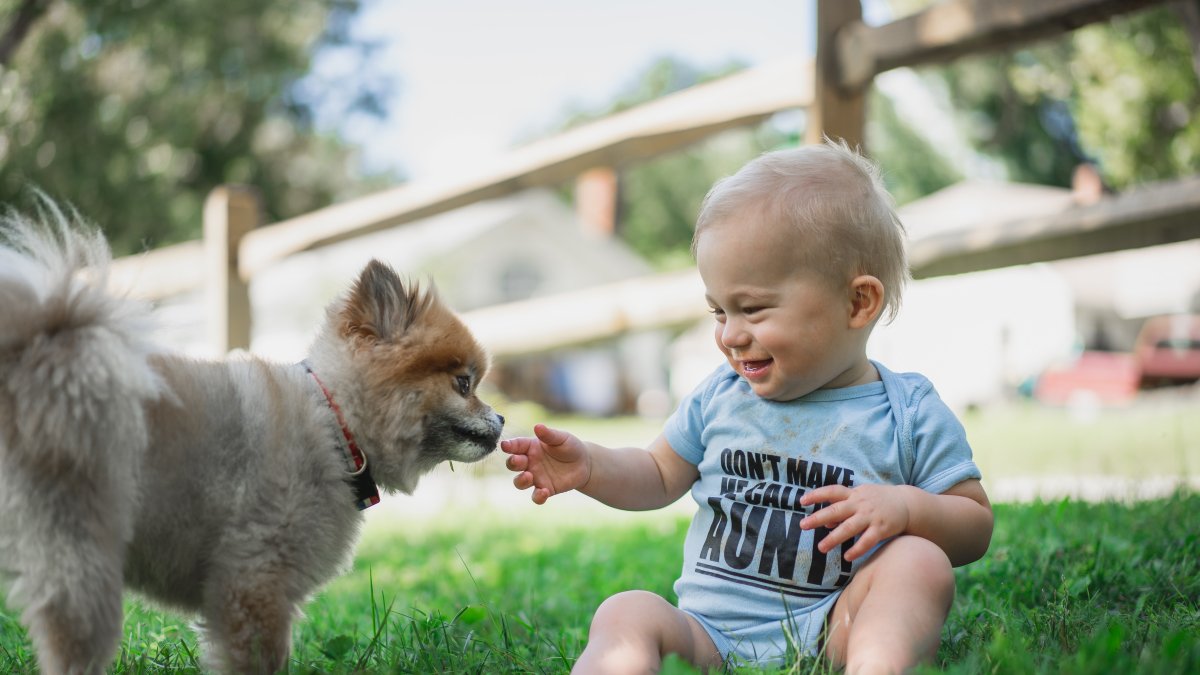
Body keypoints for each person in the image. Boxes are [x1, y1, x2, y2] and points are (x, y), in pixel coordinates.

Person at [501, 139, 994, 675]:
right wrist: (592, 467)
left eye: (753, 309)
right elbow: (658, 474)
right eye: (719, 311)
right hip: (708, 638)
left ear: (858, 302)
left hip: (835, 630)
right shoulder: (721, 395)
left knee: (919, 562)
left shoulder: (908, 412)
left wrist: (907, 509)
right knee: (626, 612)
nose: (730, 335)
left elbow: (974, 523)